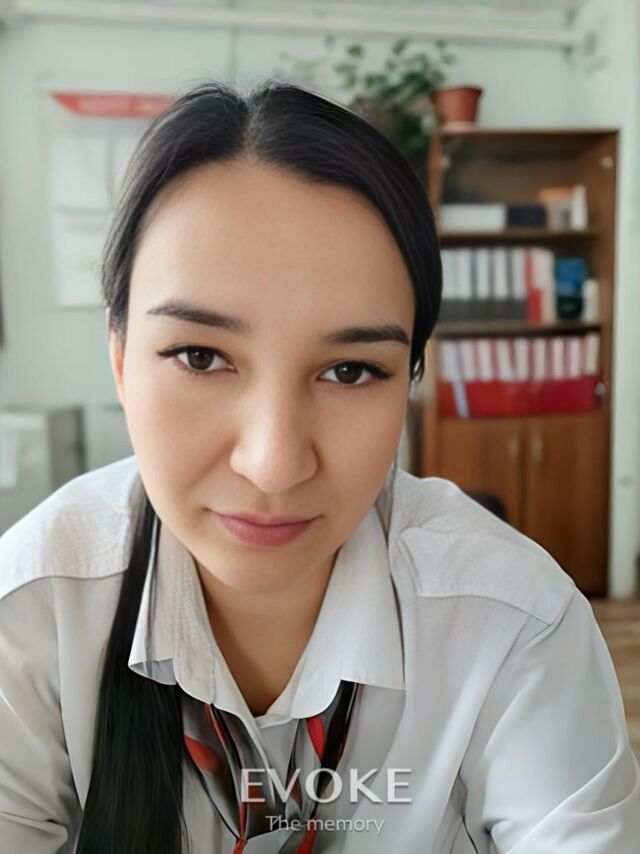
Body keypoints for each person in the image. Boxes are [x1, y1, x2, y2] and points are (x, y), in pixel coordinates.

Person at [0, 80, 638, 854]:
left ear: (410, 381)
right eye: (199, 356)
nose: (273, 464)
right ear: (120, 358)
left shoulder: (512, 625)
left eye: (350, 371)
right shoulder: (27, 619)